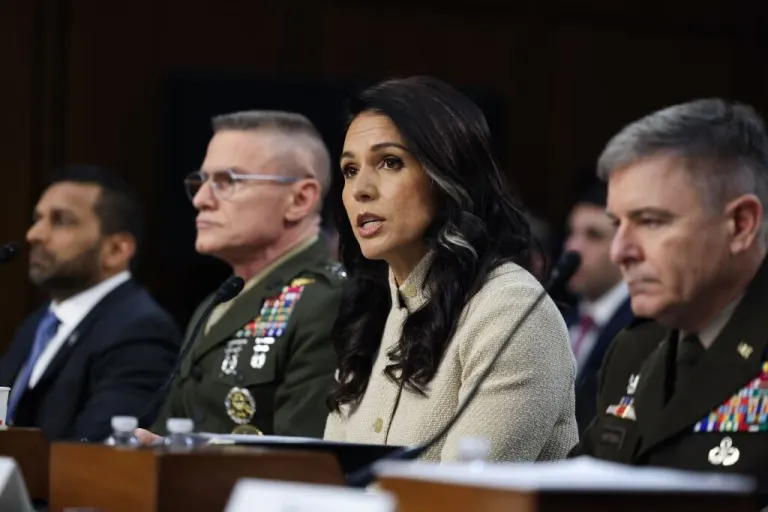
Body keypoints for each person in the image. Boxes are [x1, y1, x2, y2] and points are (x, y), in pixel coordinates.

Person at [323, 76, 578, 462]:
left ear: (447, 176)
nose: (360, 189)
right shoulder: (370, 313)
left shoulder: (510, 310)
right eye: (350, 170)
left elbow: (462, 498)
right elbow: (327, 483)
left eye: (390, 162)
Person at [572, 99, 768, 491]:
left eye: (650, 221)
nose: (620, 252)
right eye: (617, 224)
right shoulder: (634, 349)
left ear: (740, 225)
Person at [138, 110, 344, 442]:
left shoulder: (326, 299)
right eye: (202, 182)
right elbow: (172, 428)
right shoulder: (217, 303)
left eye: (227, 181)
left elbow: (306, 462)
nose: (202, 200)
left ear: (300, 199)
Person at [0, 165, 181, 441]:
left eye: (61, 220)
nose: (34, 234)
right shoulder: (37, 323)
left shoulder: (141, 330)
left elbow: (98, 452)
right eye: (37, 219)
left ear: (116, 250)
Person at [562, 181, 632, 433]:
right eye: (571, 232)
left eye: (593, 235)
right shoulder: (559, 319)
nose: (573, 247)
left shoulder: (642, 326)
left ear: (625, 246)